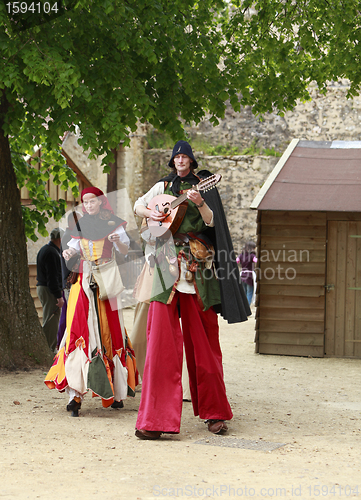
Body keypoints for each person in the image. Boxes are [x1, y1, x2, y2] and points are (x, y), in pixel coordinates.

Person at [133, 140, 250, 440]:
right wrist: (152, 212)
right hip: (164, 268)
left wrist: (200, 203)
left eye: (185, 156)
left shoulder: (204, 185)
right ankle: (155, 420)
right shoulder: (162, 185)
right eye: (177, 157)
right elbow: (137, 206)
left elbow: (212, 222)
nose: (181, 160)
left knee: (205, 345)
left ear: (191, 160)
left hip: (198, 270)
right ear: (172, 161)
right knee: (159, 344)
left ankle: (215, 413)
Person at [44, 187, 138, 416]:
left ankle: (116, 393)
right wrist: (67, 254)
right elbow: (71, 252)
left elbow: (126, 251)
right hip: (83, 282)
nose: (88, 205)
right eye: (84, 202)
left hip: (107, 281)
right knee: (77, 330)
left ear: (100, 201)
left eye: (92, 201)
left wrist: (119, 242)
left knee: (111, 331)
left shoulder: (114, 224)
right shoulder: (78, 226)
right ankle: (75, 395)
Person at [36, 228, 65, 352]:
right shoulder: (52, 253)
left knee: (50, 317)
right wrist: (59, 296)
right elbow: (52, 277)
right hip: (49, 290)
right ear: (60, 239)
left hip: (45, 288)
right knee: (51, 319)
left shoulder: (46, 249)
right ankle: (49, 348)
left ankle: (49, 346)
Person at [236, 241, 257, 306]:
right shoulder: (252, 255)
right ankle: (247, 307)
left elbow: (236, 261)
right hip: (249, 276)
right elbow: (256, 261)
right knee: (249, 292)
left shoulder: (241, 255)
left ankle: (243, 307)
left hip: (242, 275)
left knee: (244, 292)